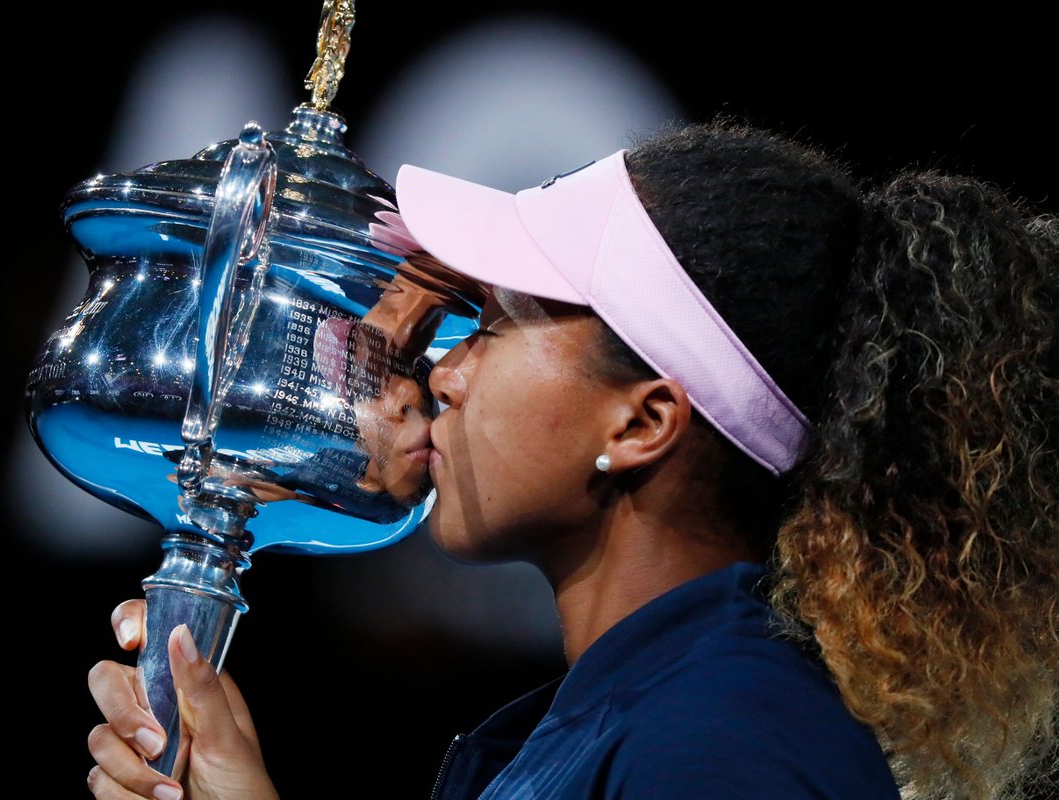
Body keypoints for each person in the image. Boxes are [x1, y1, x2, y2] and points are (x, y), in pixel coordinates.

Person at [86, 120, 1058, 800]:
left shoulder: (723, 743)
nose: (443, 373)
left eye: (495, 326)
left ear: (642, 422)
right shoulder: (645, 718)